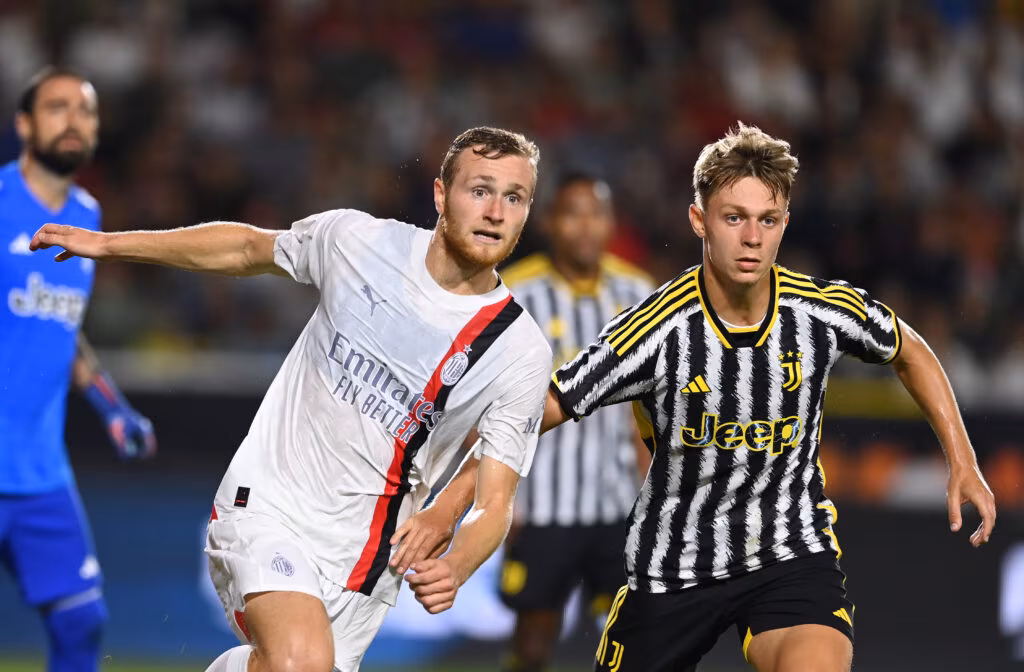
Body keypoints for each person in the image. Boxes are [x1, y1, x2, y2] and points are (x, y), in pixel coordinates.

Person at [432, 123, 997, 672]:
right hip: (673, 568)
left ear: (784, 224)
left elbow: (908, 348)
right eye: (734, 218)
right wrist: (452, 502)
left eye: (767, 220)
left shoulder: (819, 312)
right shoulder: (656, 329)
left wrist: (963, 460)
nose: (752, 238)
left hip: (789, 554)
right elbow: (539, 410)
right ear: (699, 220)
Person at [32, 126, 554, 672]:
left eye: (514, 197)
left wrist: (459, 563)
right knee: (300, 661)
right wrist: (109, 245)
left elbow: (496, 500)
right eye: (480, 190)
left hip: (365, 567)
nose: (495, 212)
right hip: (270, 506)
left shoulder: (520, 352)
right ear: (441, 195)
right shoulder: (360, 242)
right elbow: (247, 247)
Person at [1, 68, 157, 672]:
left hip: (40, 471)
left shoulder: (87, 216)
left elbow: (63, 331)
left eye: (86, 110)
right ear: (23, 124)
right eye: (57, 106)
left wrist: (113, 408)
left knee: (81, 621)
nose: (74, 119)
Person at [496, 173, 653, 671]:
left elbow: (652, 409)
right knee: (533, 640)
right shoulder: (516, 293)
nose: (586, 227)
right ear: (549, 222)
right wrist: (502, 498)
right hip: (542, 504)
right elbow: (493, 401)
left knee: (633, 642)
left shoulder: (639, 293)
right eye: (572, 214)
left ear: (611, 223)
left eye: (596, 214)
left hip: (619, 504)